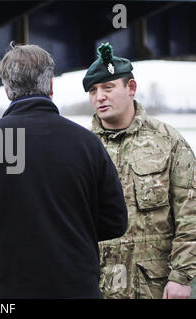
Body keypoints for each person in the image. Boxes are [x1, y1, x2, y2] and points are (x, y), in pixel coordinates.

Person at [0, 43, 128, 298]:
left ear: (7, 90)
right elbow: (115, 222)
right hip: (76, 289)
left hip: (5, 290)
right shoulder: (87, 143)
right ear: (51, 85)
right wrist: (72, 227)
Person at [83, 42, 196, 299]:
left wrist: (181, 276)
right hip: (96, 284)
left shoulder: (168, 141)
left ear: (131, 88)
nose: (99, 97)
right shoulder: (81, 147)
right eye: (93, 90)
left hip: (152, 285)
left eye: (108, 87)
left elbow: (190, 213)